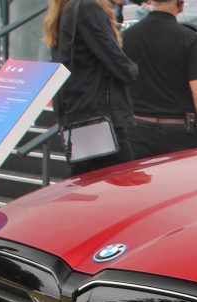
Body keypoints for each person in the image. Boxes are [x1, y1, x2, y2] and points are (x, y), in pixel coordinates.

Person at [122, 0, 197, 157]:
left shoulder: (127, 36)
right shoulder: (189, 39)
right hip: (177, 132)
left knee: (138, 180)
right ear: (180, 4)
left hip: (136, 129)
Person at [46, 0, 138, 176]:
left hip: (78, 116)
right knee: (123, 185)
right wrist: (133, 69)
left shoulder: (64, 9)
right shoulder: (87, 8)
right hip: (98, 117)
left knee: (87, 186)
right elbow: (117, 62)